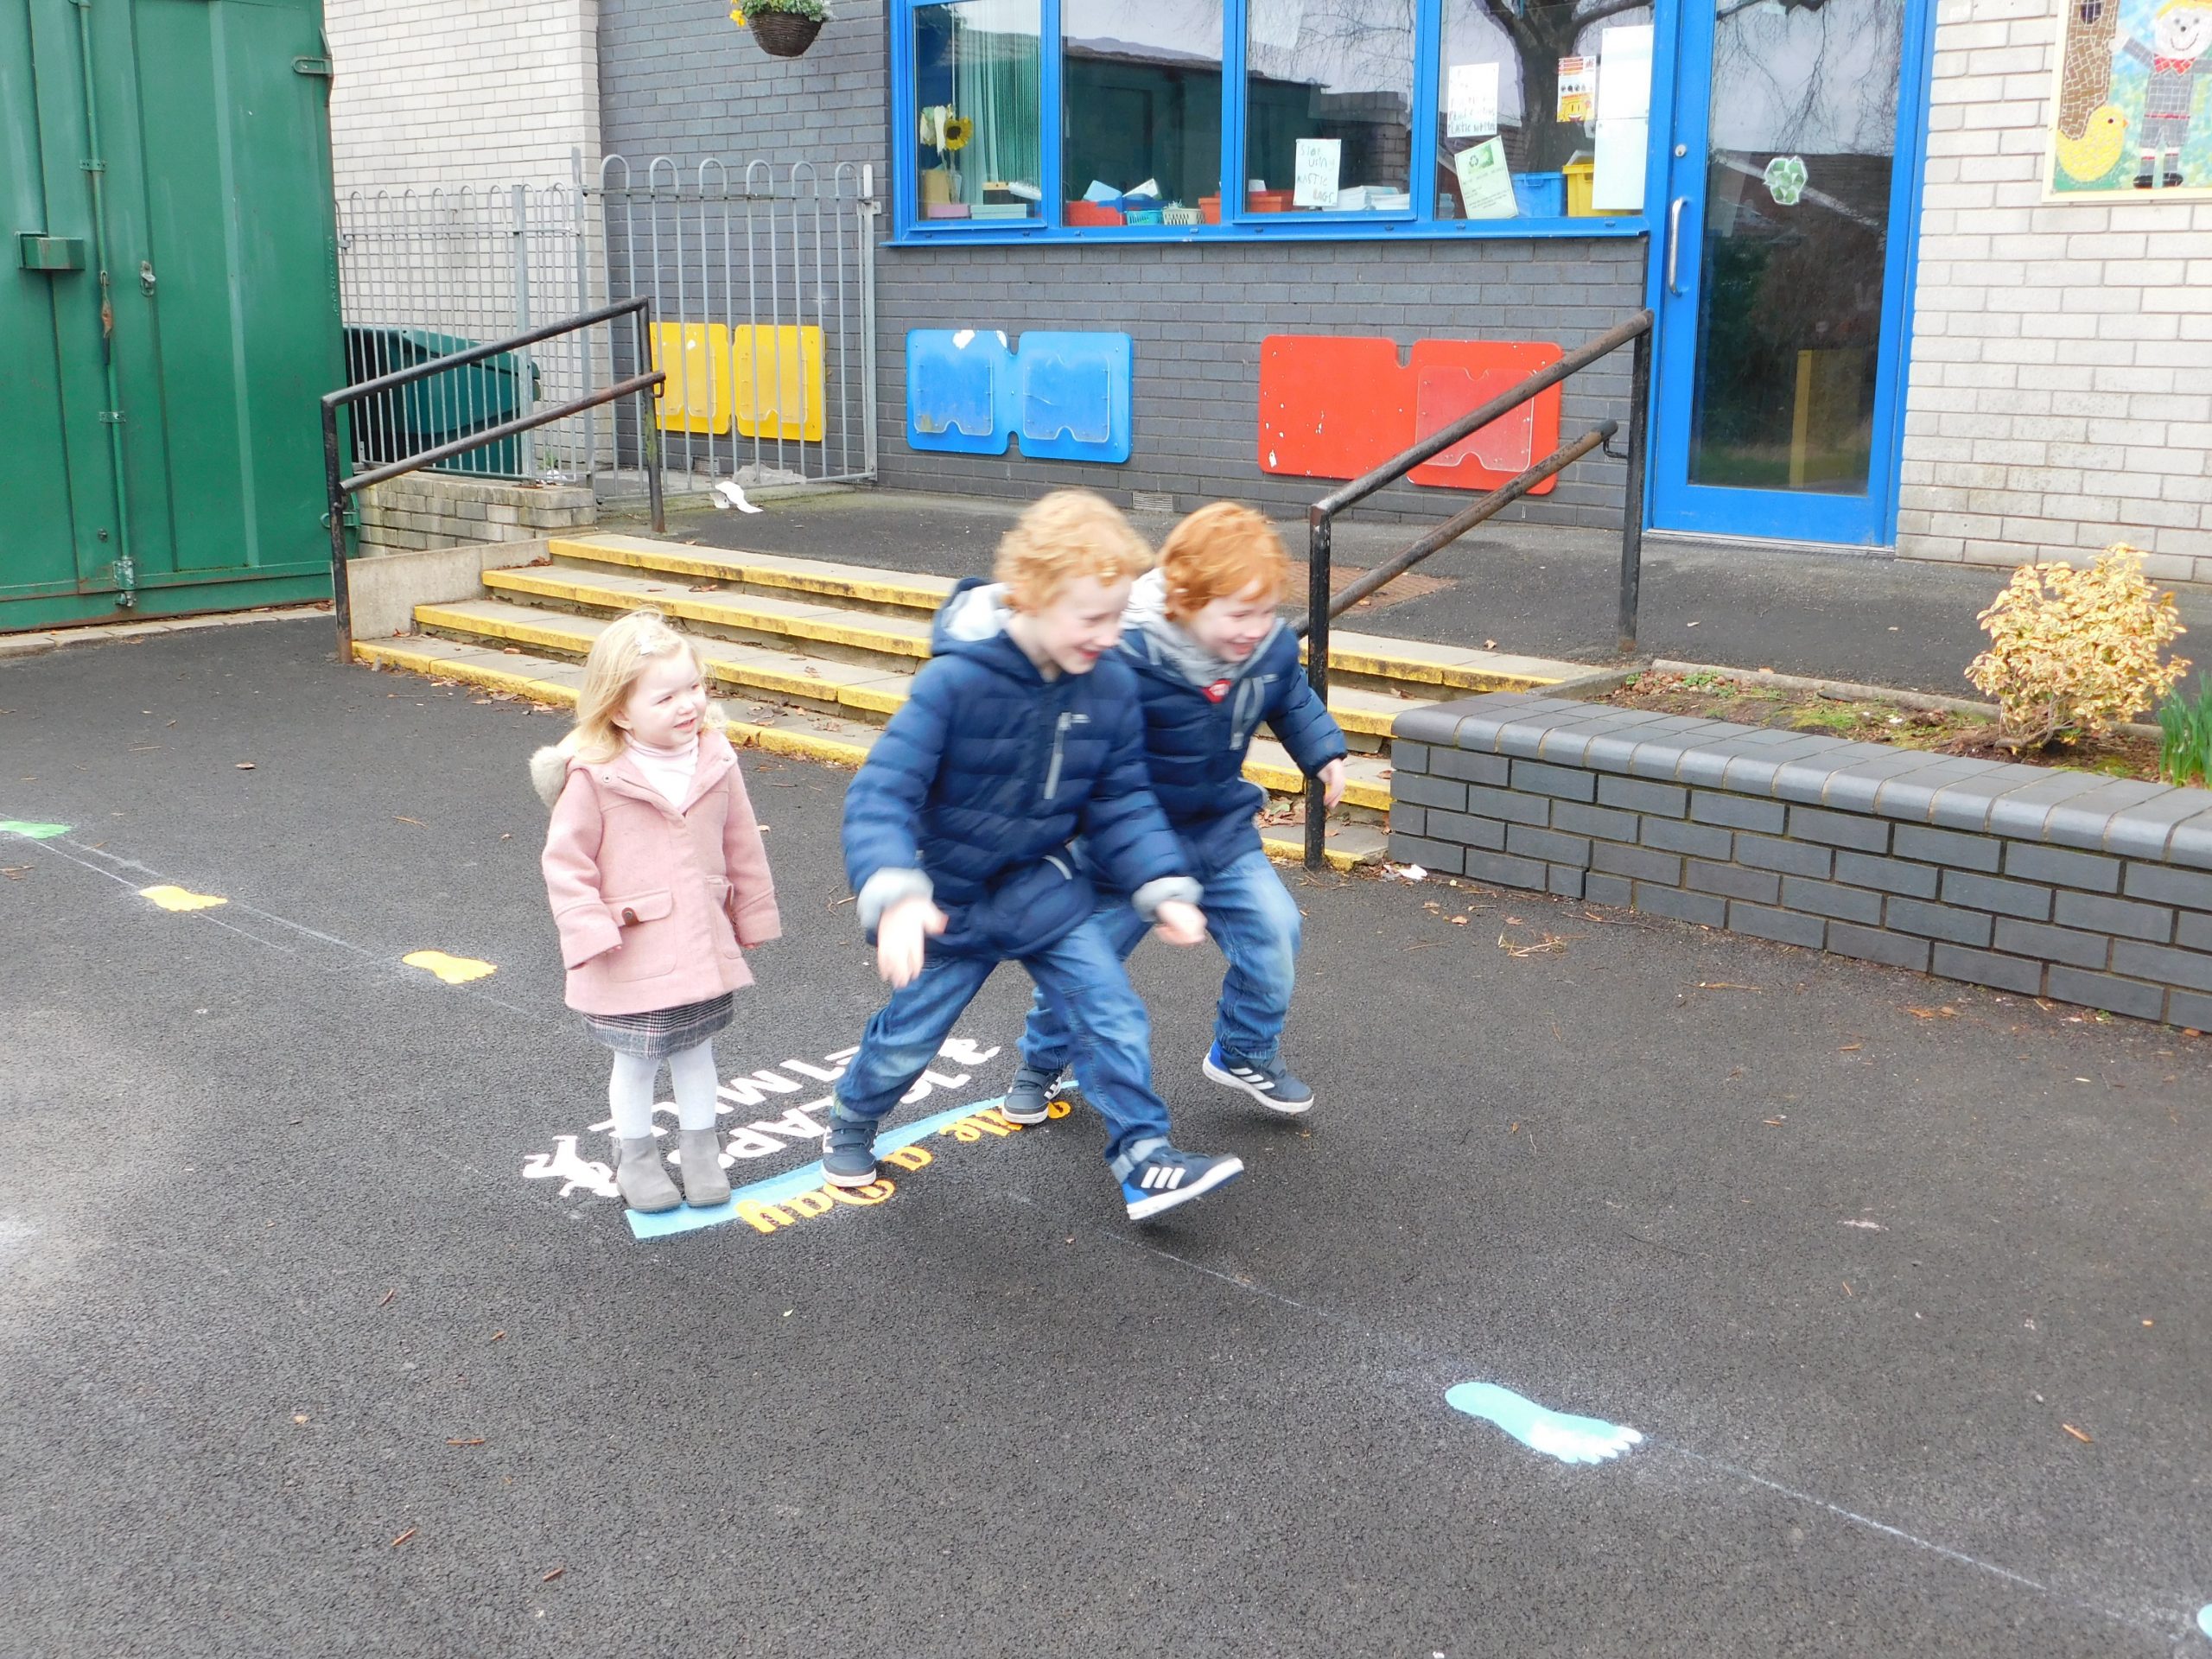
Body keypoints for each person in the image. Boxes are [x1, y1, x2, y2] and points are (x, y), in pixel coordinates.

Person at [827, 490, 1244, 1221]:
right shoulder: (956, 682)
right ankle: (854, 1120)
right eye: (1092, 618)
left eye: (1119, 616)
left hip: (1041, 890)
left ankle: (1145, 1160)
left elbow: (1122, 800)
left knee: (1111, 1011)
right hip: (947, 900)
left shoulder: (1109, 684)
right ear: (1033, 598)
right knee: (910, 1039)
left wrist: (1160, 882)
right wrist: (896, 895)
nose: (1110, 636)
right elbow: (881, 794)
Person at [1006, 503, 1346, 1122]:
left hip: (1217, 832)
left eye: (1266, 610)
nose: (1256, 627)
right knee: (1085, 962)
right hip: (1122, 846)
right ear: (1184, 602)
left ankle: (1243, 1050)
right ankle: (1042, 1059)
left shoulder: (1262, 646)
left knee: (1275, 932)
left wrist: (1324, 753)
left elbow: (1290, 696)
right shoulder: (1122, 656)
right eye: (1238, 613)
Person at [534, 609, 781, 1213]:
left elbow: (741, 841)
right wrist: (589, 932)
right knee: (637, 1060)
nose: (687, 705)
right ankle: (637, 1155)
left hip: (699, 940)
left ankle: (701, 1151)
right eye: (666, 696)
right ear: (619, 710)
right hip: (630, 946)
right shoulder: (595, 776)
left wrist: (752, 914)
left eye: (694, 688)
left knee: (698, 1051)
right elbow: (566, 863)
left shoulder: (715, 757)